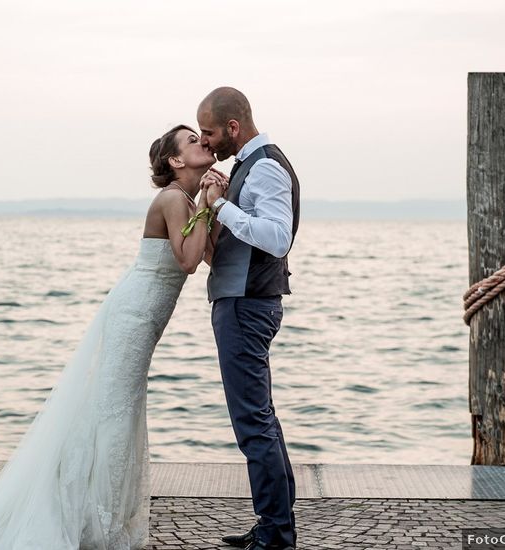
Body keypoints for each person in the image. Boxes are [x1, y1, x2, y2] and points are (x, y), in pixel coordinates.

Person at [0, 124, 221, 550]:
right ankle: (91, 520)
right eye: (193, 140)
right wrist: (207, 203)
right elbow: (188, 261)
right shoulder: (173, 198)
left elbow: (208, 253)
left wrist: (214, 205)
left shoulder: (186, 199)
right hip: (134, 314)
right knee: (113, 411)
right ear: (176, 161)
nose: (203, 142)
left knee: (120, 407)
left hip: (142, 315)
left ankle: (100, 514)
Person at [197, 87, 301, 550]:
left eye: (210, 132)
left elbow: (277, 239)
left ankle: (277, 533)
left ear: (233, 127)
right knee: (262, 418)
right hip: (244, 302)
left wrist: (220, 206)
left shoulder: (267, 167)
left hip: (246, 305)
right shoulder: (250, 167)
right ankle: (273, 523)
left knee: (252, 422)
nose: (207, 140)